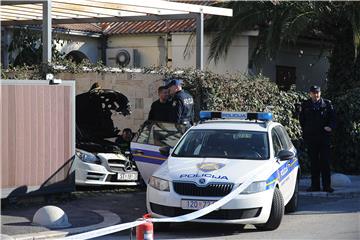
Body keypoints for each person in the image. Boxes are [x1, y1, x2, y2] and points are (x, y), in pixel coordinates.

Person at [299, 85, 336, 193]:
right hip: (311, 137)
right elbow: (302, 120)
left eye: (317, 93)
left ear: (320, 93)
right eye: (314, 93)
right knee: (314, 162)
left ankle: (327, 186)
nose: (316, 95)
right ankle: (315, 186)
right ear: (310, 94)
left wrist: (330, 127)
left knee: (325, 162)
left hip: (324, 137)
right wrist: (306, 130)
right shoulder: (306, 105)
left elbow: (333, 118)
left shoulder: (327, 104)